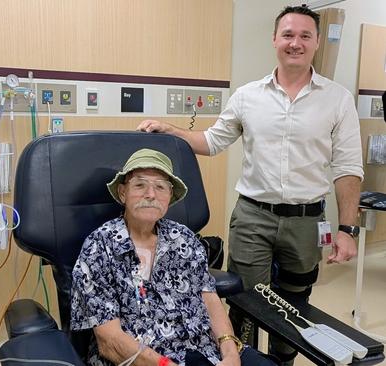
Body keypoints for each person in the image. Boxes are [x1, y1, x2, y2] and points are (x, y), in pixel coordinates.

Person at [137, 5, 363, 365]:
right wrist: (171, 130)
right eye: (288, 34)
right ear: (275, 39)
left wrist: (347, 229)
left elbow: (349, 167)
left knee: (295, 302)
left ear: (317, 42)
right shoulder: (248, 96)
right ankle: (244, 359)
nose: (295, 43)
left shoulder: (337, 99)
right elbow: (212, 142)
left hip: (307, 221)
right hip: (253, 217)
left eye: (305, 35)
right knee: (245, 301)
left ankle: (283, 360)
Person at [70, 149, 276, 366]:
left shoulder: (184, 238)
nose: (151, 194)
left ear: (169, 196)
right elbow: (109, 341)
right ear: (123, 193)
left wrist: (231, 352)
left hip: (203, 348)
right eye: (140, 185)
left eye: (160, 187)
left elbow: (210, 299)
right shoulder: (99, 246)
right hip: (143, 359)